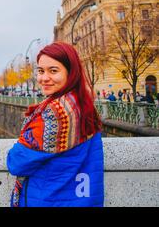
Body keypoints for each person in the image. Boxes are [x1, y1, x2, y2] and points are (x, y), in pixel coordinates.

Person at [6, 42, 104, 207]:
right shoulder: (82, 105)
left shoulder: (54, 114)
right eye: (41, 71)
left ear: (70, 73)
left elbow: (16, 162)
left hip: (50, 200)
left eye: (53, 71)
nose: (44, 78)